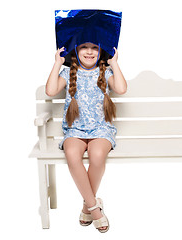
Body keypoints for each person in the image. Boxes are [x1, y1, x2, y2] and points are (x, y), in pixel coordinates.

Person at [45, 42, 127, 233]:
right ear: (76, 51)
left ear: (100, 52)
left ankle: (86, 206)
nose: (89, 52)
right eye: (84, 47)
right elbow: (50, 91)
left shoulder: (105, 73)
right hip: (75, 130)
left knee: (97, 155)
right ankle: (95, 209)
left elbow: (121, 89)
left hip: (101, 129)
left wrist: (114, 64)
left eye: (94, 48)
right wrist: (58, 63)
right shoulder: (67, 74)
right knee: (72, 155)